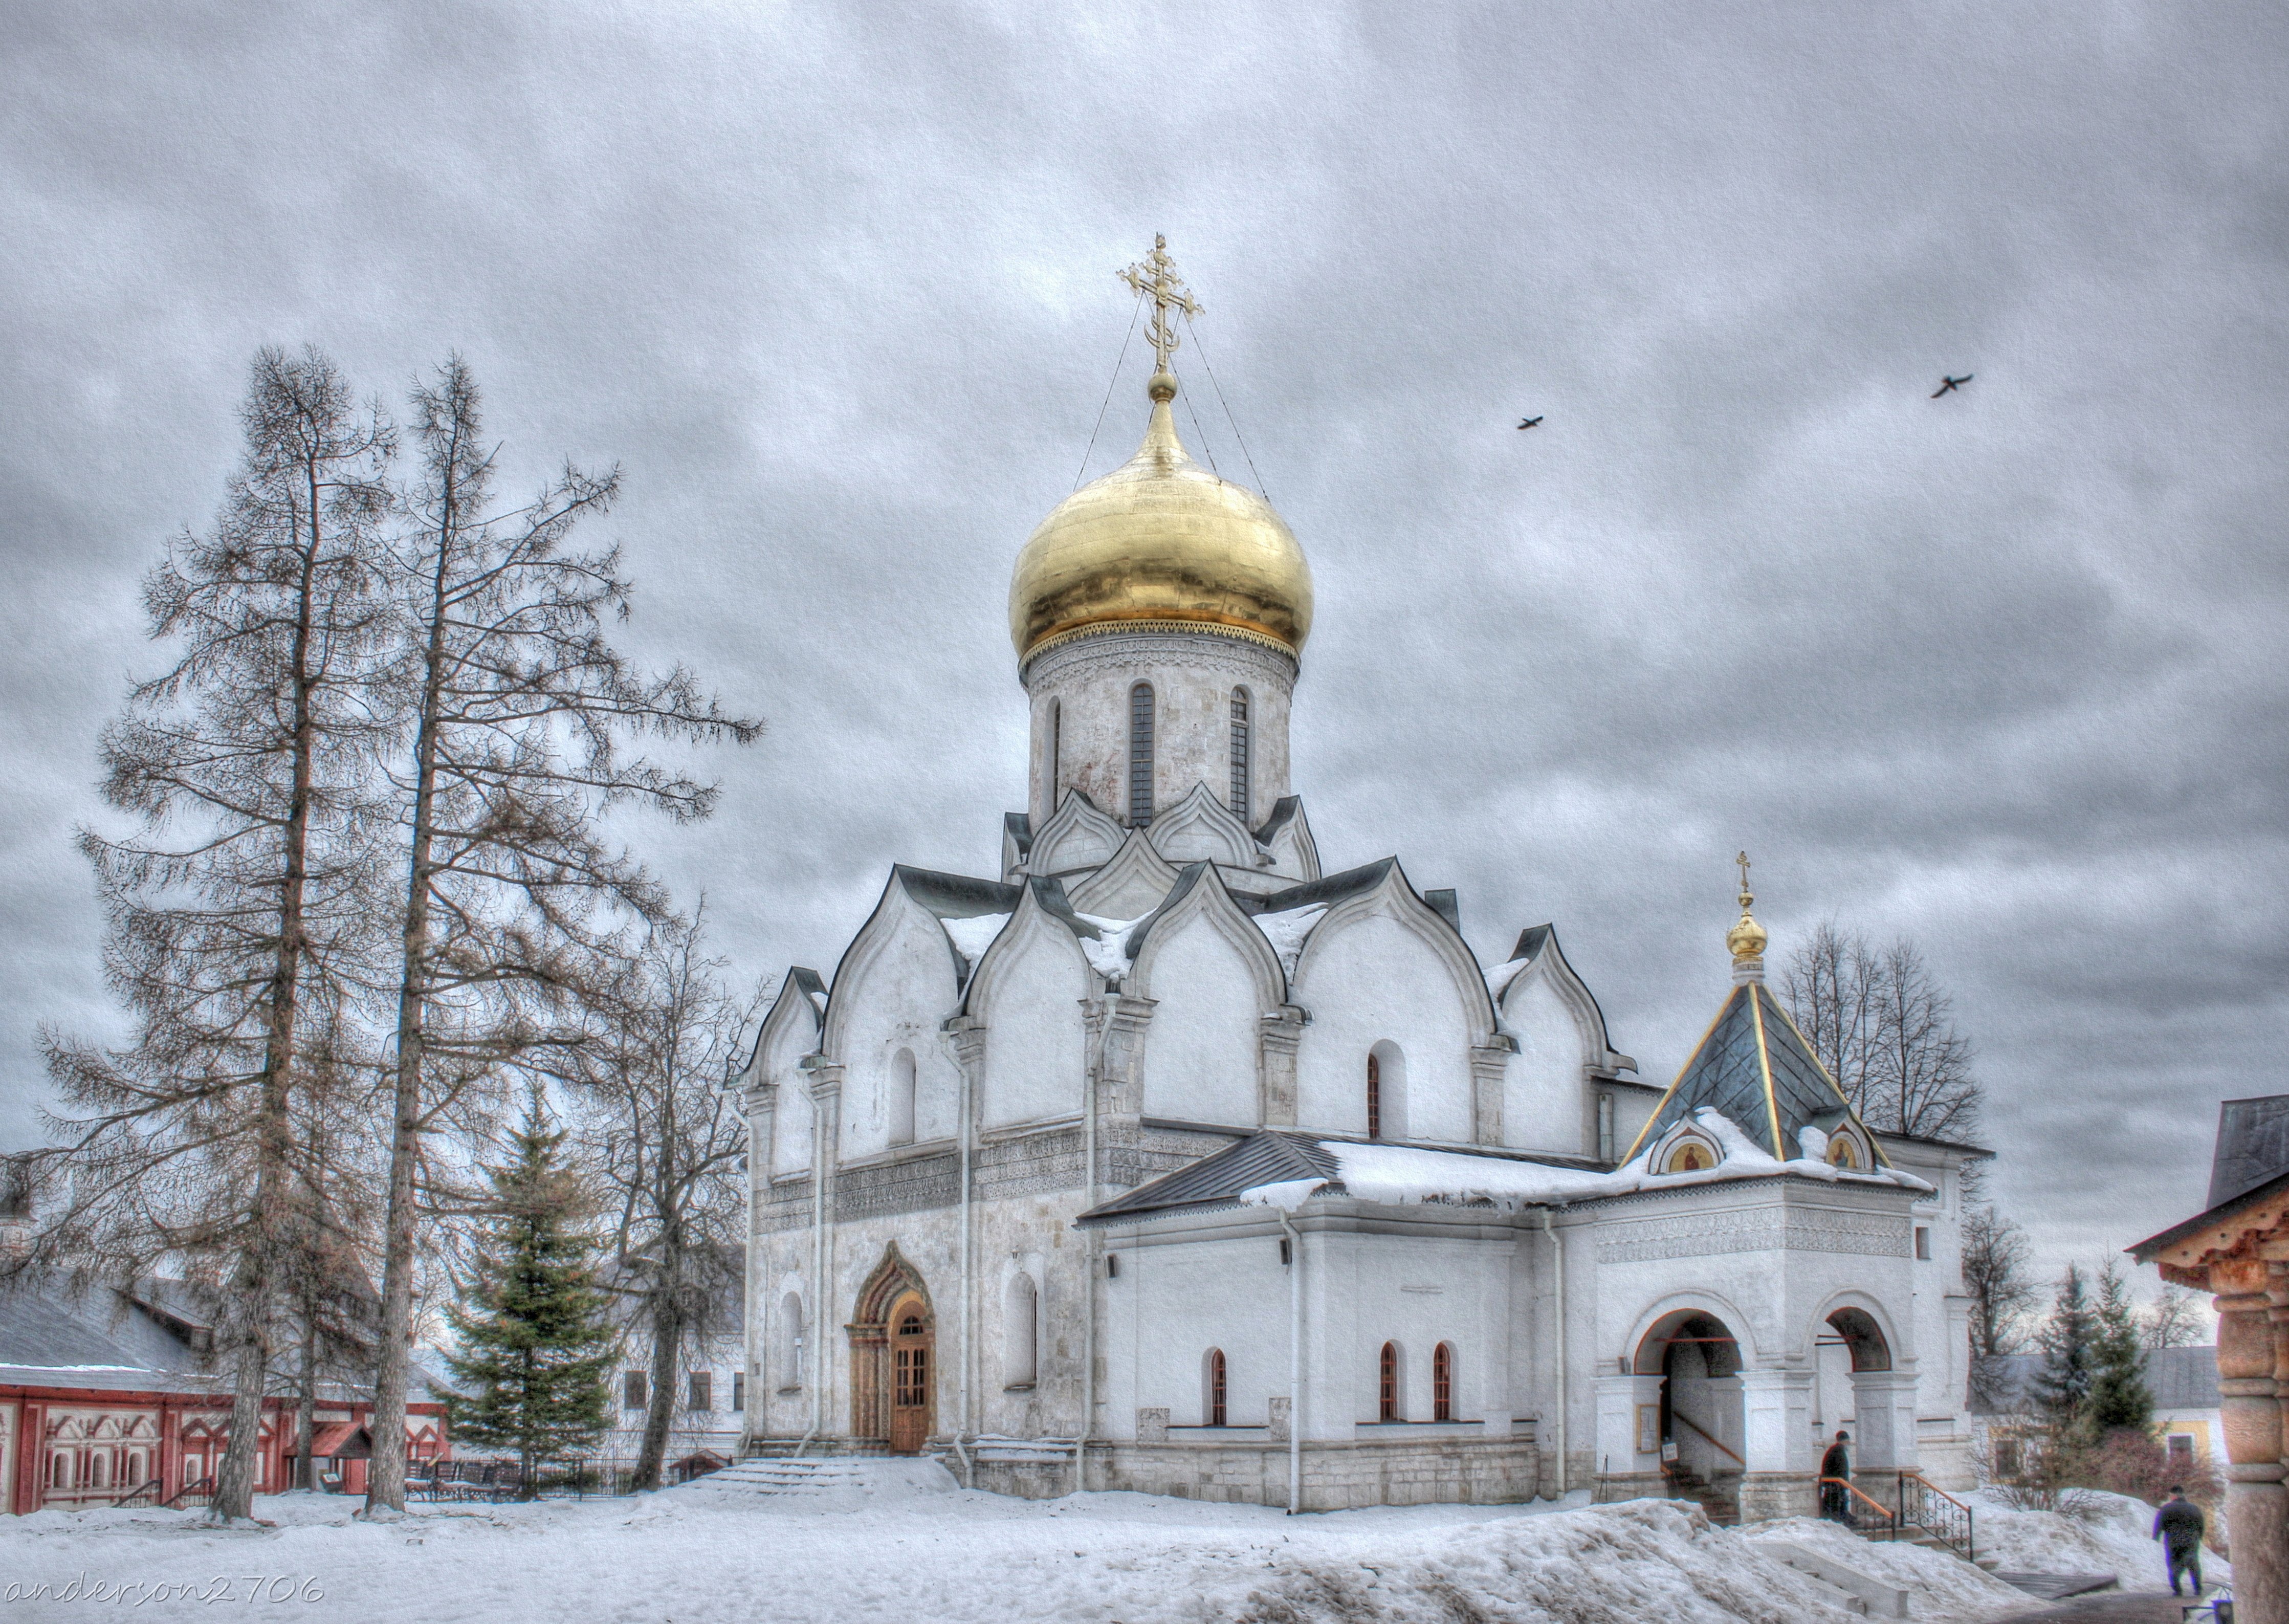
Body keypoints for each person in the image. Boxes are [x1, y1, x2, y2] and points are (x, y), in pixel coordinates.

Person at [2152, 1487, 2206, 1597]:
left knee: (2174, 1564)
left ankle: (2177, 1590)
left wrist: (2156, 1537)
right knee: (2193, 1563)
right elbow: (2201, 1525)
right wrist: (2199, 1537)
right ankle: (2198, 1589)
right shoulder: (2194, 1508)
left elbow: (2159, 1524)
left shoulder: (2166, 1509)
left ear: (2173, 1496)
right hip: (2191, 1540)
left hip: (2173, 1541)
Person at [1818, 1430, 1854, 1526]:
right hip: (1836, 1484)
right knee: (1838, 1503)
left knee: (1838, 1503)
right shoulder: (1838, 1451)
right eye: (1848, 1441)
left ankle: (1842, 1518)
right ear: (1844, 1441)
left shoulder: (1835, 1450)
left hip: (1834, 1484)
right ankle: (1841, 1520)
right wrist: (1845, 1483)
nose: (1849, 1443)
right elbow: (1841, 1469)